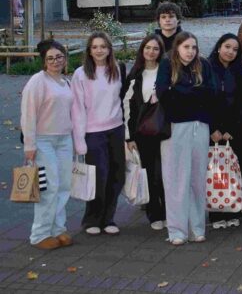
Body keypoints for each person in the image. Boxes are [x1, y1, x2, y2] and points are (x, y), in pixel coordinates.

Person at [156, 32, 216, 245]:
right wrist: (192, 94)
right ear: (177, 48)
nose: (190, 51)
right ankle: (177, 230)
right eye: (186, 47)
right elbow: (165, 94)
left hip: (200, 126)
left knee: (197, 179)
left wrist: (182, 93)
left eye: (193, 47)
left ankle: (197, 228)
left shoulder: (204, 66)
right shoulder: (166, 66)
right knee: (176, 179)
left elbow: (211, 93)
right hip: (175, 127)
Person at [21, 40, 75, 250]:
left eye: (59, 57)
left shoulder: (65, 81)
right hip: (43, 141)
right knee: (48, 188)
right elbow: (28, 114)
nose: (55, 61)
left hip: (64, 140)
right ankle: (40, 233)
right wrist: (30, 145)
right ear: (44, 61)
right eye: (50, 58)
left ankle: (58, 229)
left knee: (63, 186)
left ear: (65, 58)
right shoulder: (38, 81)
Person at [71, 32, 126, 236]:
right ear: (89, 50)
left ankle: (109, 218)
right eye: (95, 47)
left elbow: (122, 99)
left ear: (109, 48)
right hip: (93, 132)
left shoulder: (118, 69)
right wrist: (79, 139)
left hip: (116, 129)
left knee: (116, 175)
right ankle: (92, 218)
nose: (99, 50)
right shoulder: (81, 74)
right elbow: (77, 107)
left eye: (103, 46)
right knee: (98, 176)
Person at [208, 34, 242, 229]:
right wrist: (214, 129)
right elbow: (203, 101)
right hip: (213, 131)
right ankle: (216, 214)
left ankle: (234, 209)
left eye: (235, 50)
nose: (230, 52)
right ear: (219, 47)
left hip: (237, 131)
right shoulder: (206, 69)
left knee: (237, 172)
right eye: (227, 47)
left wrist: (231, 129)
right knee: (216, 173)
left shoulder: (241, 73)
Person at [123, 35, 166, 231]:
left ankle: (169, 212)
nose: (151, 52)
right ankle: (154, 214)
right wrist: (129, 137)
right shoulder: (135, 76)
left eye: (155, 48)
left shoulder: (167, 71)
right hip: (143, 134)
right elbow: (126, 108)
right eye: (148, 48)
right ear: (142, 50)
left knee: (165, 175)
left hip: (165, 132)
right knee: (150, 175)